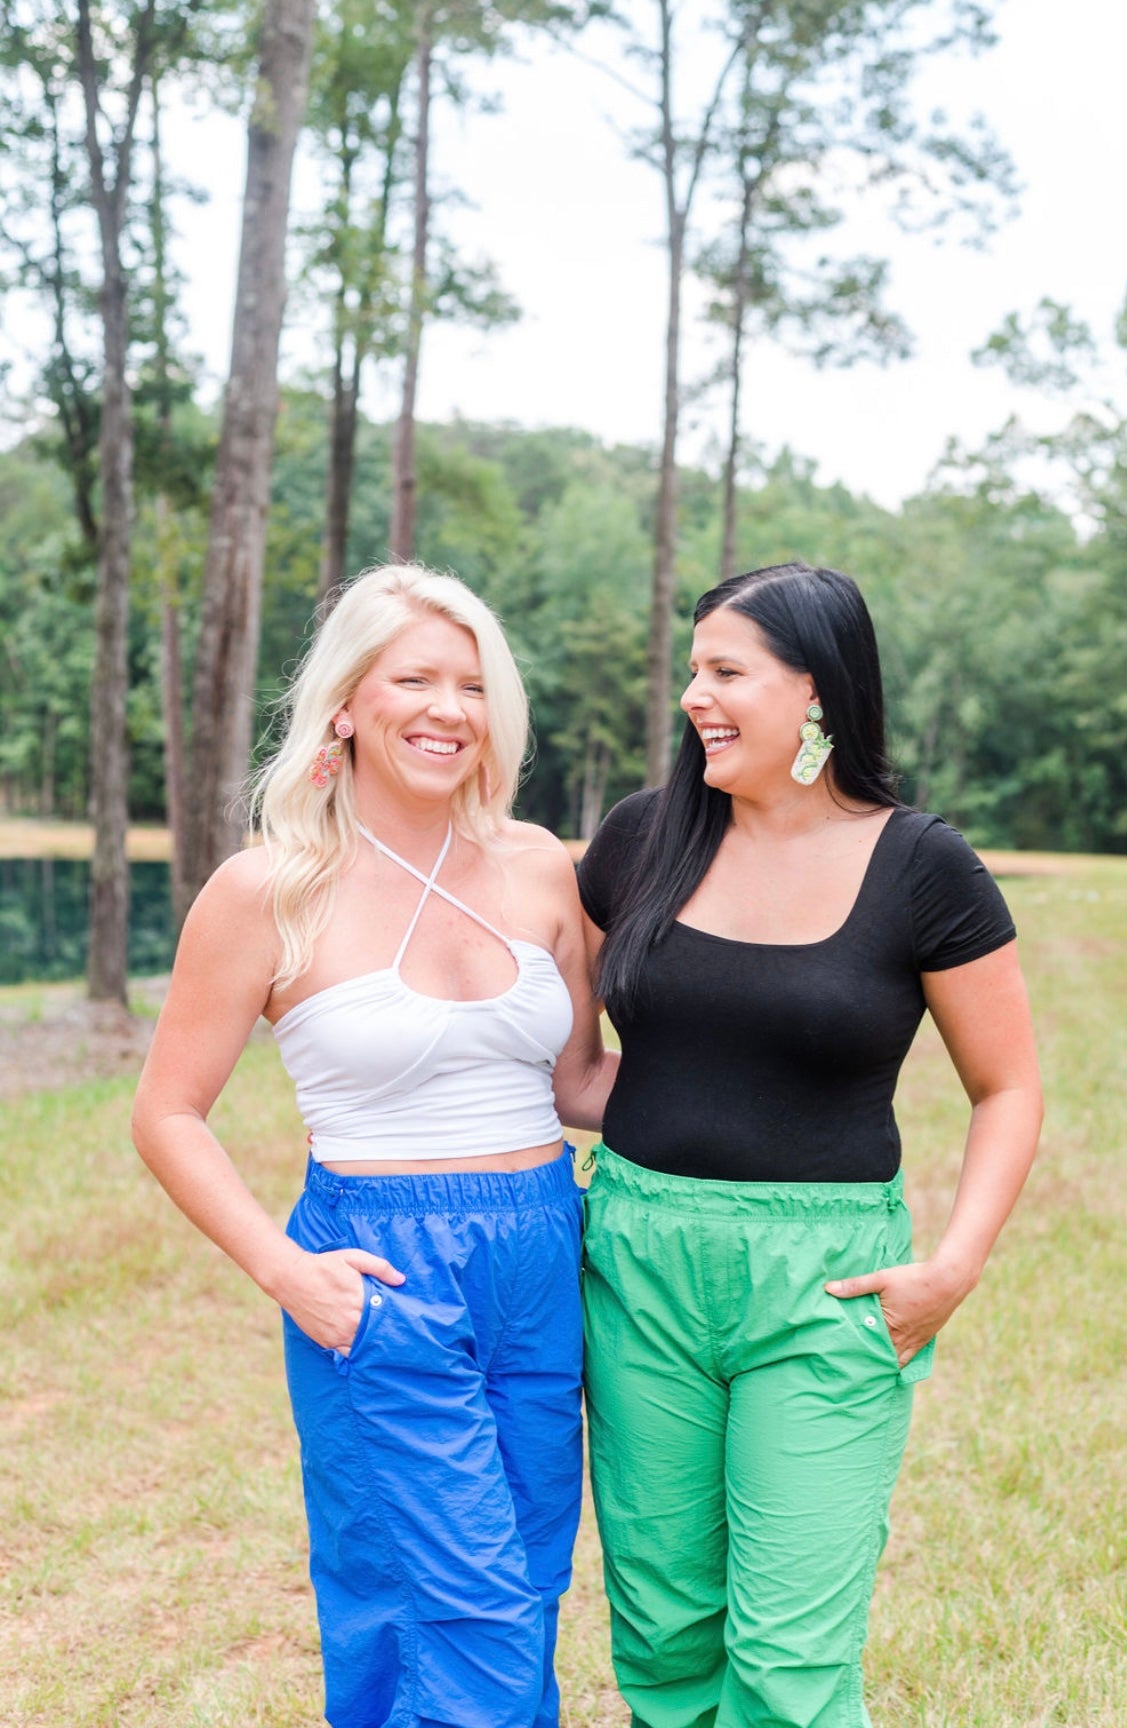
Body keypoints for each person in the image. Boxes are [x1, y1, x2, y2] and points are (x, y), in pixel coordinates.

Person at [132, 564, 616, 1728]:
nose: (450, 708)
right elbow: (165, 1113)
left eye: (472, 685)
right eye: (416, 679)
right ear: (346, 702)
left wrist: (787, 1060)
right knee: (461, 1608)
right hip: (383, 1267)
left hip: (546, 1255)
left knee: (525, 1588)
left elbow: (583, 1082)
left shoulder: (542, 866)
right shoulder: (267, 891)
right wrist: (286, 1269)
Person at [576, 561, 1043, 1728]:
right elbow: (560, 1054)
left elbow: (1009, 1086)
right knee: (666, 1630)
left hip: (824, 1285)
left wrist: (956, 1266)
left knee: (790, 1655)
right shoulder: (640, 840)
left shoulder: (923, 866)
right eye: (693, 671)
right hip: (637, 1262)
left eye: (726, 670)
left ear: (818, 692)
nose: (695, 695)